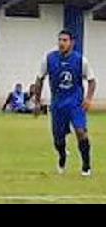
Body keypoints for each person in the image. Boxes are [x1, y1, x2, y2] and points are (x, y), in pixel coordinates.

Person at [33, 30, 97, 176]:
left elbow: (92, 81)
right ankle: (62, 155)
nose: (61, 43)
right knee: (58, 139)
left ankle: (86, 165)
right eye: (60, 40)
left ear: (72, 42)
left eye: (65, 40)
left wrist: (88, 99)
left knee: (81, 132)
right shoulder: (49, 59)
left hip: (75, 104)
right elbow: (39, 79)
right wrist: (37, 101)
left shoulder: (81, 60)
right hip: (57, 104)